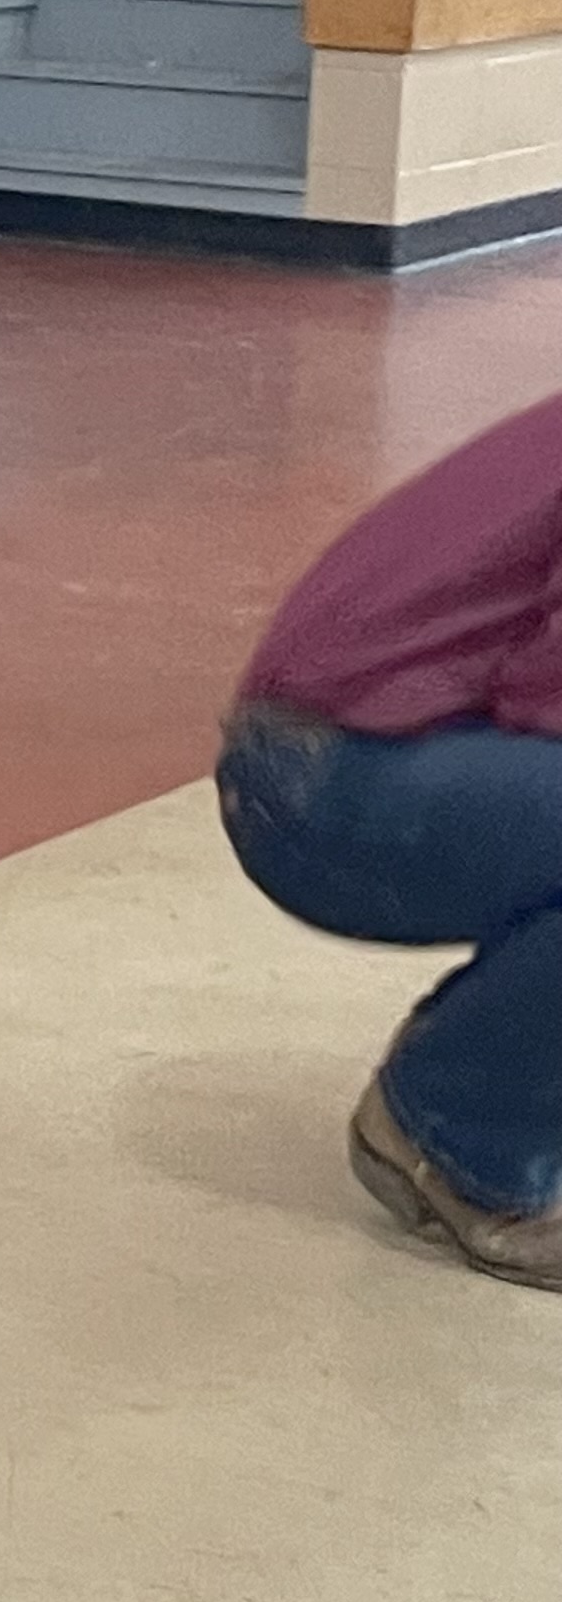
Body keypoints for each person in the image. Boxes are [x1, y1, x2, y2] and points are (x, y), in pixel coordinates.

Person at [219, 397, 562, 1289]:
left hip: (384, 752)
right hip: (326, 779)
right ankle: (457, 1126)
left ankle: (501, 1070)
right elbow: (548, 699)